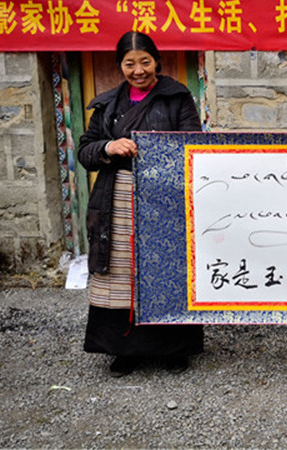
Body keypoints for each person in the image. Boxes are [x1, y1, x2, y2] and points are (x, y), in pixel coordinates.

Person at [78, 31, 204, 377]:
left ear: (157, 61)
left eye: (145, 62)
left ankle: (174, 349)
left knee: (165, 270)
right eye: (129, 64)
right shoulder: (106, 105)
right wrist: (108, 147)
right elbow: (85, 150)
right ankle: (124, 349)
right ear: (120, 66)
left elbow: (194, 144)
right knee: (120, 273)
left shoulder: (177, 98)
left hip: (164, 197)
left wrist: (158, 152)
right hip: (117, 198)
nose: (138, 71)